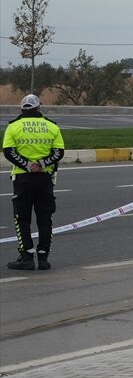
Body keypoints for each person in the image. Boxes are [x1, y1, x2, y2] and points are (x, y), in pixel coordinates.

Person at [3, 95, 65, 270]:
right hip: (45, 178)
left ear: (22, 109)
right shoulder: (52, 126)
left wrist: (28, 166)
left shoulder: (13, 127)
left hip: (23, 179)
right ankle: (44, 259)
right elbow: (59, 152)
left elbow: (9, 152)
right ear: (39, 107)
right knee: (45, 219)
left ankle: (27, 257)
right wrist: (43, 164)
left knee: (22, 219)